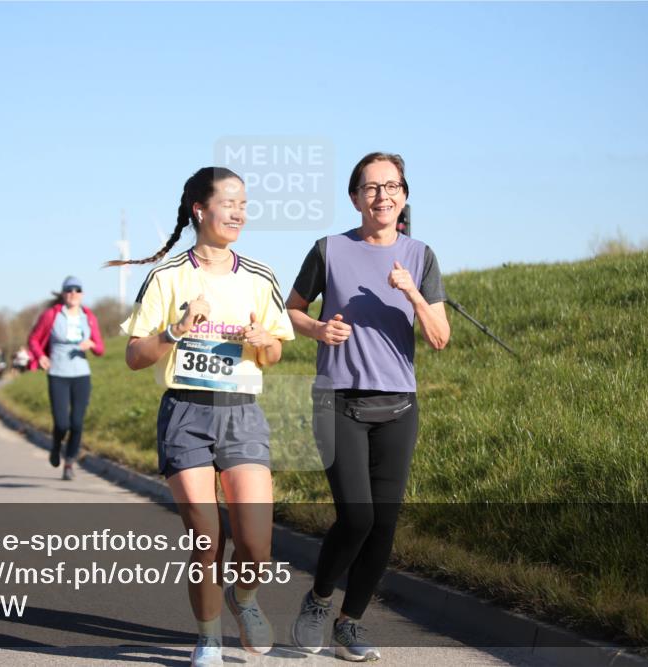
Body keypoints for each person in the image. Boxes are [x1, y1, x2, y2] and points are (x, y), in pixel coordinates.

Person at [114, 167, 294, 667]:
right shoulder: (167, 277)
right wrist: (174, 331)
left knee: (256, 543)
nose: (240, 212)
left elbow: (275, 351)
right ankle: (208, 638)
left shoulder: (261, 277)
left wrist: (266, 344)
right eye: (229, 202)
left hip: (241, 413)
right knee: (205, 537)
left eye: (244, 203)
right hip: (186, 412)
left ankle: (246, 598)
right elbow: (133, 356)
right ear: (200, 210)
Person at [286, 152, 451, 661]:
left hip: (399, 405)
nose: (383, 195)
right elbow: (290, 310)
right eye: (371, 187)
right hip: (337, 399)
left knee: (384, 524)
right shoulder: (328, 249)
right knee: (356, 516)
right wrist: (317, 327)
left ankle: (350, 623)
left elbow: (440, 337)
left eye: (392, 185)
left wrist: (412, 295)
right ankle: (316, 602)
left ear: (404, 195)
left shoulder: (420, 256)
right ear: (355, 197)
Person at [27, 276, 105, 480]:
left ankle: (69, 462)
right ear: (63, 294)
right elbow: (33, 339)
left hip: (81, 375)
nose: (73, 293)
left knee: (77, 423)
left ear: (82, 294)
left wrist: (92, 345)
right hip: (58, 374)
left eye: (77, 290)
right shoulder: (52, 315)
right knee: (62, 424)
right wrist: (41, 356)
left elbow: (100, 349)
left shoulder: (88, 316)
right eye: (69, 290)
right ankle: (55, 446)